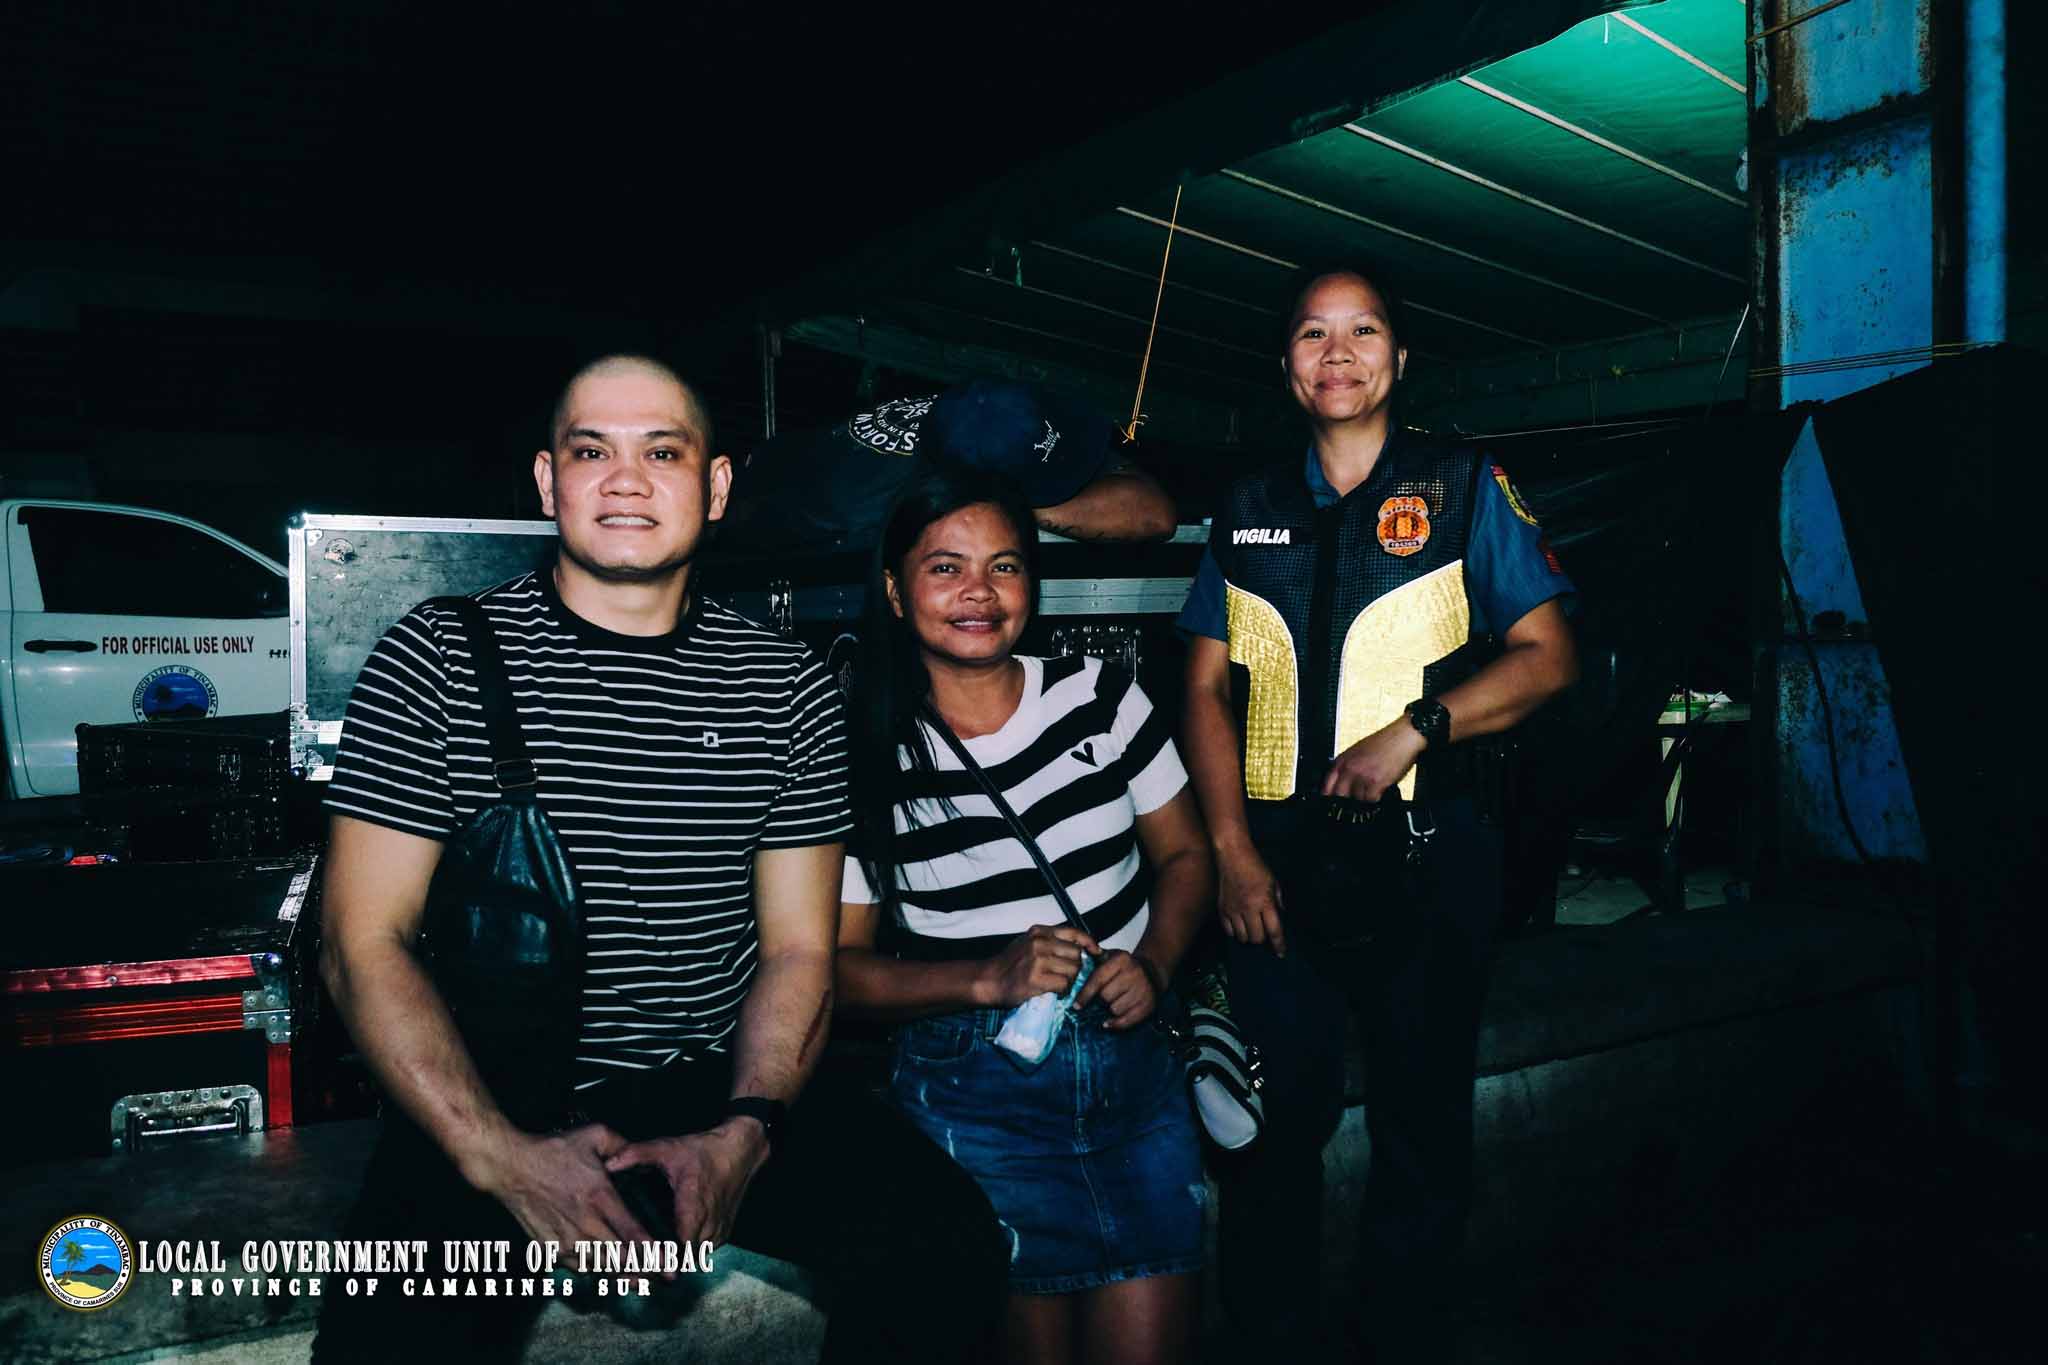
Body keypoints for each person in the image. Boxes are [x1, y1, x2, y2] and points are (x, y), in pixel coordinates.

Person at [314, 354, 1006, 1361]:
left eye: (663, 452)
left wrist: (745, 1133)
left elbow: (799, 952)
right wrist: (498, 1156)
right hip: (491, 1087)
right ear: (548, 480)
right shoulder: (439, 658)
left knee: (945, 1249)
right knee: (385, 1339)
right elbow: (360, 944)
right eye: (592, 451)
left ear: (716, 487)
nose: (627, 480)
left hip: (713, 1080)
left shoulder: (783, 684)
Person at [1178, 266, 1578, 1360]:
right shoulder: (1246, 507)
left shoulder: (1462, 485)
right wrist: (1229, 854)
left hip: (1427, 855)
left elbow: (1549, 657)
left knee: (1420, 1122)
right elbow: (1202, 688)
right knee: (1267, 1124)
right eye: (1313, 334)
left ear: (1398, 360)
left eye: (1362, 331)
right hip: (1271, 869)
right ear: (1286, 367)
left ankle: (1401, 1336)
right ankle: (1272, 1340)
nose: (1338, 352)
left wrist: (1416, 730)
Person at [833, 463, 1215, 1365]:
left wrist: (1155, 961)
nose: (980, 591)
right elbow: (837, 972)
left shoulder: (1103, 695)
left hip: (1135, 1083)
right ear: (895, 590)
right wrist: (986, 976)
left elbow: (1186, 857)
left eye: (1005, 566)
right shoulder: (864, 753)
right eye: (945, 567)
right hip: (978, 1106)